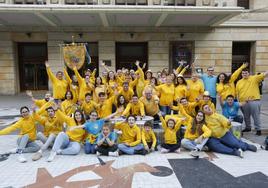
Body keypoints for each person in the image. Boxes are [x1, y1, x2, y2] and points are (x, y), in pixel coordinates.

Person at [236, 68, 268, 135]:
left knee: (256, 116)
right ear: (241, 74)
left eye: (246, 73)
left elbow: (264, 74)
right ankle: (248, 127)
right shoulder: (239, 82)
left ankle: (258, 129)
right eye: (243, 73)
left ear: (248, 73)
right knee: (246, 116)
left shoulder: (254, 78)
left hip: (254, 101)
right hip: (244, 102)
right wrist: (239, 102)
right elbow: (237, 93)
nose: (244, 74)